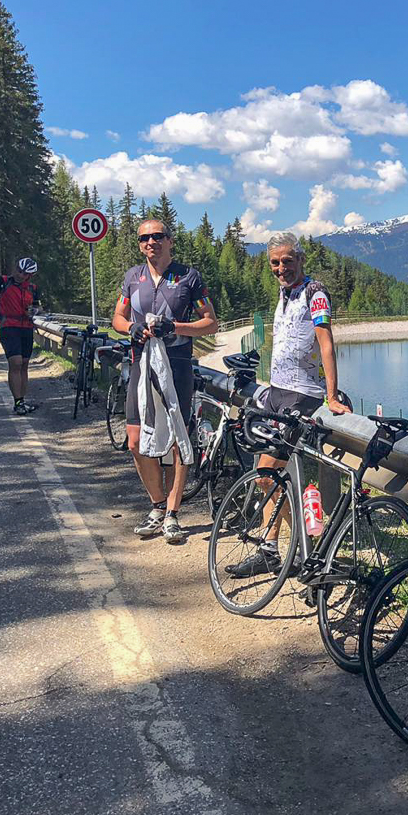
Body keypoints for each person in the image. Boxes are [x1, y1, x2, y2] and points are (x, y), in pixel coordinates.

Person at [226, 231, 350, 577]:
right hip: (279, 391)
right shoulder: (284, 293)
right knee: (269, 476)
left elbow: (327, 344)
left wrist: (332, 395)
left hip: (302, 395)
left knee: (267, 475)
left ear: (301, 260)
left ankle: (294, 545)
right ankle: (279, 547)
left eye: (287, 261)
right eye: (275, 263)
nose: (281, 268)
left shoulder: (315, 292)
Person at [111, 218, 218, 544]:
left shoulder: (189, 277)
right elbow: (117, 317)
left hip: (177, 366)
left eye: (158, 236)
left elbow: (210, 323)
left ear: (170, 241)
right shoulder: (133, 277)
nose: (151, 242)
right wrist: (129, 328)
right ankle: (156, 505)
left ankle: (172, 513)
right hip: (141, 366)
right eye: (145, 238)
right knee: (134, 440)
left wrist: (175, 328)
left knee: (177, 442)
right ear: (140, 243)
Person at [0, 258, 42, 415]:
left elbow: (38, 306)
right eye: (18, 270)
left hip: (26, 327)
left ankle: (22, 401)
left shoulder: (33, 288)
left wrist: (34, 311)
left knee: (24, 363)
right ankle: (17, 402)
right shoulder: (3, 281)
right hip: (8, 326)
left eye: (24, 273)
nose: (20, 274)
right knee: (15, 362)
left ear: (30, 275)